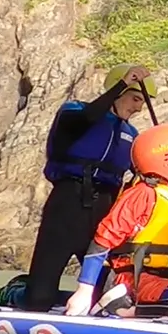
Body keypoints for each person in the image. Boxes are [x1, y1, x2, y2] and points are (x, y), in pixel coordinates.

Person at [22, 63, 151, 311]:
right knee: (40, 295)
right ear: (118, 92)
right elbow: (88, 118)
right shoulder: (74, 112)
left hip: (103, 209)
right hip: (68, 203)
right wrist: (123, 82)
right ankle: (18, 297)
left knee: (103, 289)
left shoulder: (132, 135)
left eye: (142, 101)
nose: (138, 107)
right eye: (135, 98)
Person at [64, 122, 168, 317]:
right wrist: (84, 291)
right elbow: (103, 240)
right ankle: (119, 307)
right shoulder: (144, 194)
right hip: (134, 280)